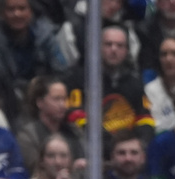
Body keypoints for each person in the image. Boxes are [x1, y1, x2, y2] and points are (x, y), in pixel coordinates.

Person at [64, 25, 155, 157]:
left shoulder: (134, 82)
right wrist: (112, 144)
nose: (114, 49)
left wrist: (140, 144)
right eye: (108, 44)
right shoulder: (79, 78)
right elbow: (76, 117)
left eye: (120, 45)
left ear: (126, 50)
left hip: (127, 154)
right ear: (98, 47)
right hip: (90, 153)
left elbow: (145, 119)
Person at [0, 0, 71, 112]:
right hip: (10, 101)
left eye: (22, 8)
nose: (17, 14)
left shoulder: (46, 35)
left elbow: (61, 70)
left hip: (45, 95)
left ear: (31, 11)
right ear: (2, 13)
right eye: (11, 9)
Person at [16, 76, 84, 174]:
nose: (63, 105)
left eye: (64, 99)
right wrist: (73, 168)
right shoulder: (28, 136)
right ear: (40, 103)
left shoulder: (74, 131)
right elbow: (36, 170)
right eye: (57, 99)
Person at [103, 129, 175, 179]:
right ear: (112, 157)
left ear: (143, 158)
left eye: (134, 153)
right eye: (121, 153)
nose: (128, 158)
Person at [13, 134, 86, 179]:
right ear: (41, 161)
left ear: (70, 160)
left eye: (63, 155)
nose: (58, 162)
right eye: (51, 156)